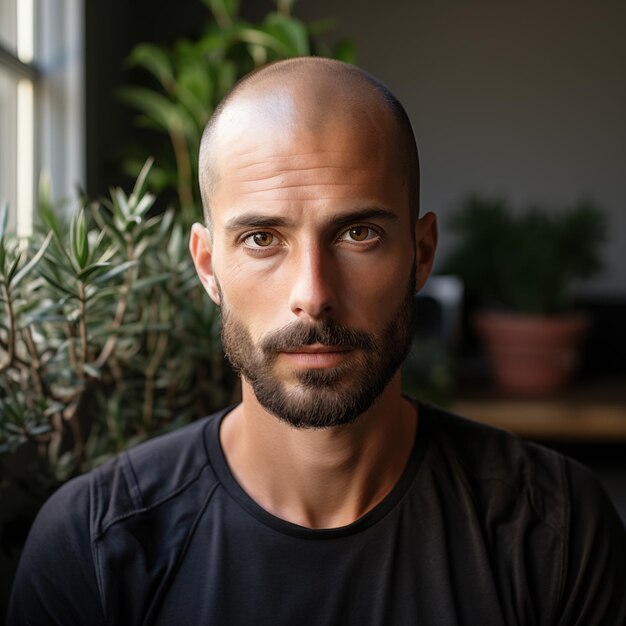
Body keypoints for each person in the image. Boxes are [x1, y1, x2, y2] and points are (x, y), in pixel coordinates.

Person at [8, 58, 626, 625]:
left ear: (422, 255)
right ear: (207, 267)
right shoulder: (94, 545)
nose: (313, 293)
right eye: (261, 239)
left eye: (358, 233)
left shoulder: (554, 529)